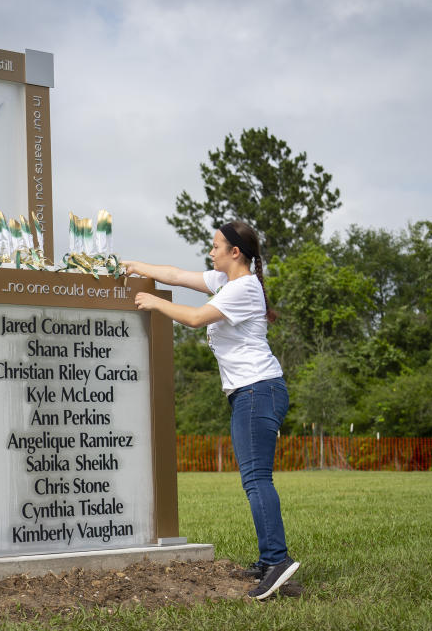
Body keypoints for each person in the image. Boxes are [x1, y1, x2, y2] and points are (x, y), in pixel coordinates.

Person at [123, 220, 299, 600]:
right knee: (255, 479)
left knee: (256, 480)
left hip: (257, 390)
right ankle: (271, 559)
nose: (211, 250)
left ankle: (278, 561)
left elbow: (196, 318)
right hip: (252, 392)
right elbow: (176, 274)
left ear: (236, 252)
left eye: (217, 245)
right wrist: (137, 266)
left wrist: (154, 302)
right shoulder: (227, 283)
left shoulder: (244, 288)